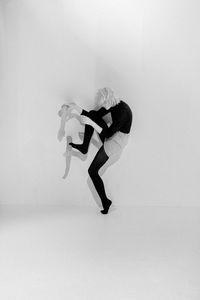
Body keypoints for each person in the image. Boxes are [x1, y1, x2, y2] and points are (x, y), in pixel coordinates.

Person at [68, 87, 133, 214]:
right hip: (112, 133)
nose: (102, 107)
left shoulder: (123, 112)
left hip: (116, 142)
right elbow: (95, 115)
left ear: (108, 101)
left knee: (92, 171)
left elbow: (108, 134)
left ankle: (106, 202)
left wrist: (91, 124)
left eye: (103, 105)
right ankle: (84, 147)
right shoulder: (112, 103)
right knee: (92, 114)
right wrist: (76, 108)